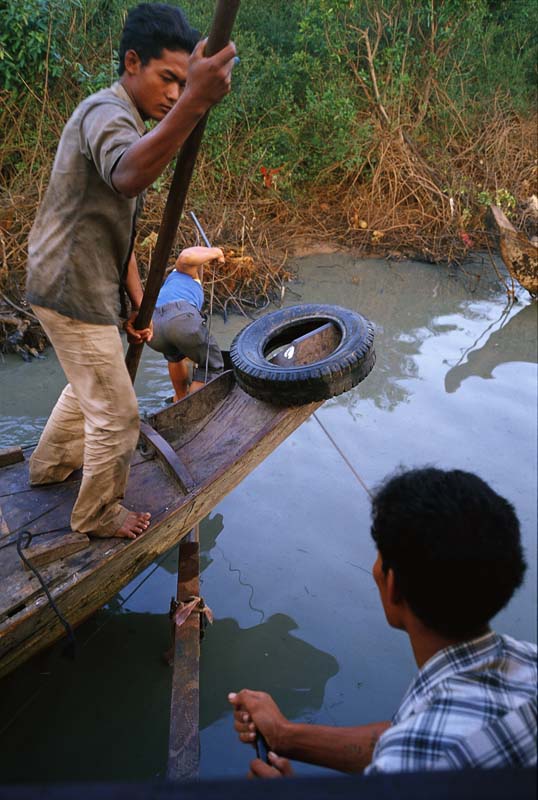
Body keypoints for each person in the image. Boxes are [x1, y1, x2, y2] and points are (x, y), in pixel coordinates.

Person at [25, 4, 236, 540]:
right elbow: (127, 176)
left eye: (182, 83)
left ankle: (49, 468)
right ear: (132, 62)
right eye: (168, 79)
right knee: (118, 416)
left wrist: (139, 306)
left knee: (89, 387)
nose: (173, 92)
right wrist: (194, 103)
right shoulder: (107, 113)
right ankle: (97, 515)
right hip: (69, 289)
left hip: (78, 288)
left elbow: (119, 237)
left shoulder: (129, 123)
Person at [229, 467, 537, 776]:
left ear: (393, 586)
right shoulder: (528, 662)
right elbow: (413, 736)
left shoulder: (412, 763)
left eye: (379, 554)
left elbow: (418, 751)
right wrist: (285, 735)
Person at [148, 245, 225, 400]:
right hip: (178, 317)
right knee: (211, 366)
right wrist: (216, 252)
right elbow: (185, 256)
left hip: (153, 327)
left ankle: (180, 399)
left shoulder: (173, 284)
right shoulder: (182, 272)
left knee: (174, 356)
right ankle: (191, 409)